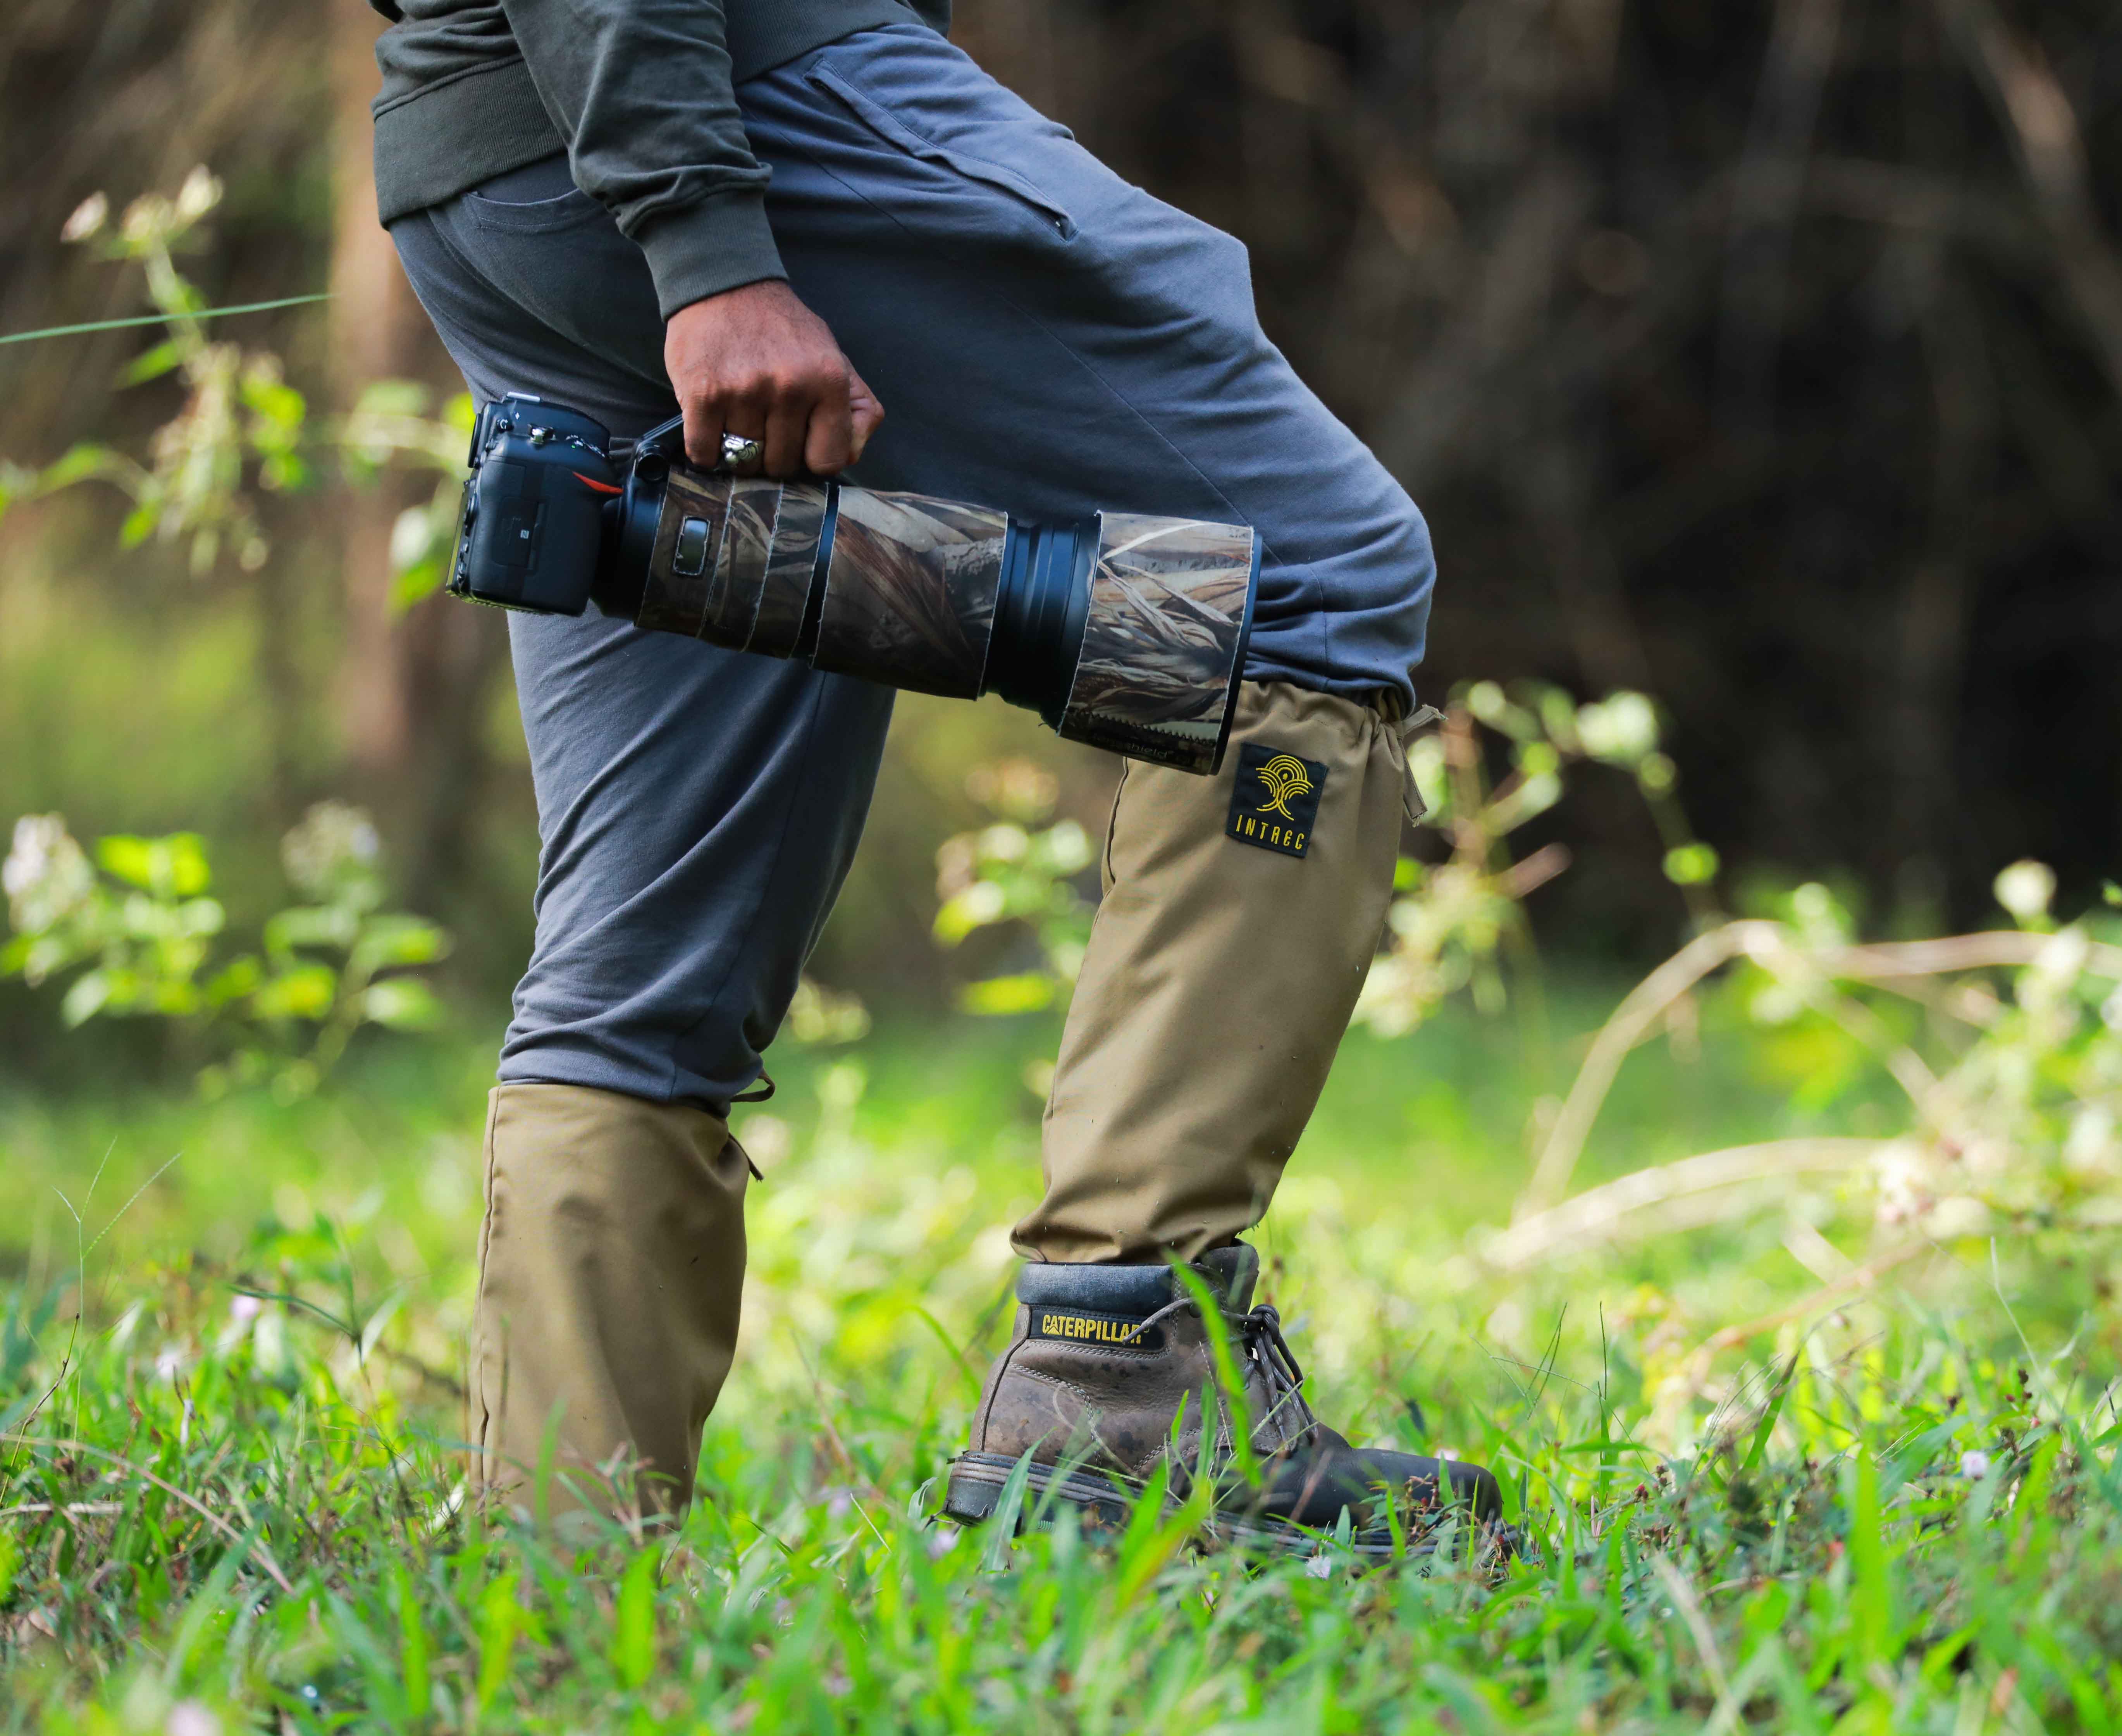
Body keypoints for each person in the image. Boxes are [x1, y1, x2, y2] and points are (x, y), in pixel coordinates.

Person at [365, 0, 1500, 1548]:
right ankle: (1127, 1377)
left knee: (654, 931)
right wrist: (708, 247)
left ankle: (555, 1576)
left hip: (493, 158)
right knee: (1310, 572)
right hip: (734, 95)